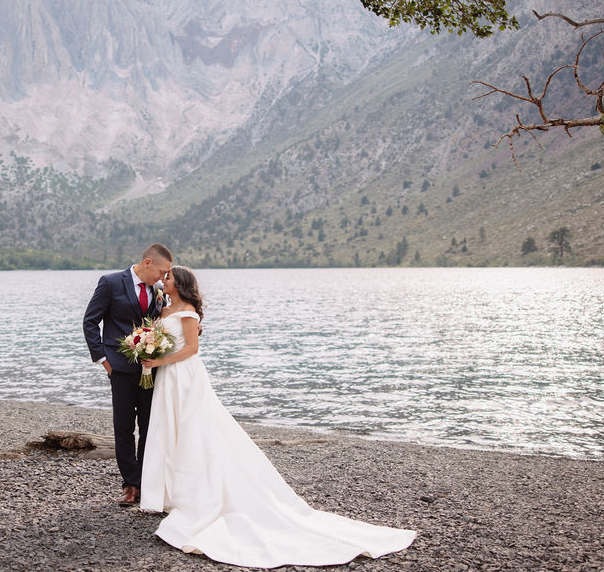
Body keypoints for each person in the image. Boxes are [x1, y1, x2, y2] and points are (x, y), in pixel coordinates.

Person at [139, 266, 416, 567]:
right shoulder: (165, 308)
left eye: (167, 278)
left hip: (185, 378)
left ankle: (196, 495)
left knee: (194, 433)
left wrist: (161, 359)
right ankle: (170, 492)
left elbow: (192, 349)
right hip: (167, 377)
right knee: (170, 430)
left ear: (179, 284)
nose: (162, 280)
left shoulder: (189, 312)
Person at [83, 243, 173, 506]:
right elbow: (90, 321)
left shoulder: (157, 291)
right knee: (123, 427)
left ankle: (145, 481)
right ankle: (130, 485)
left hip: (150, 369)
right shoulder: (110, 282)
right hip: (119, 368)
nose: (163, 278)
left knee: (148, 426)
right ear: (147, 263)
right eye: (162, 271)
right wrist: (103, 360)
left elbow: (162, 323)